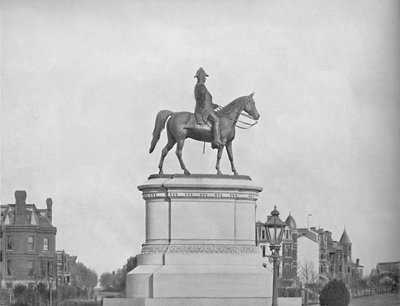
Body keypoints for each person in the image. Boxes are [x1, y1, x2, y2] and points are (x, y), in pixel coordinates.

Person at [193, 67, 225, 146]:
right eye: (204, 76)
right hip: (203, 110)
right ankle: (216, 140)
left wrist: (214, 106)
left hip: (206, 108)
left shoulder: (201, 86)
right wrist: (207, 110)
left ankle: (213, 140)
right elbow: (201, 100)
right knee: (217, 120)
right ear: (201, 76)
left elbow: (207, 101)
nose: (205, 78)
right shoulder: (200, 86)